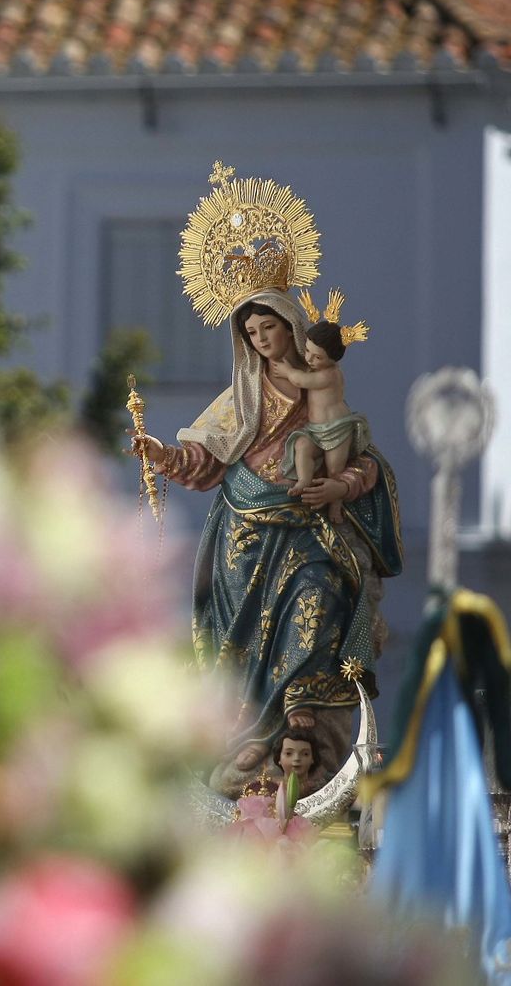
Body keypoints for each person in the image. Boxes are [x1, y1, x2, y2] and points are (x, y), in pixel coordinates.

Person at [128, 164, 402, 797]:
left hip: (310, 527)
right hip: (243, 537)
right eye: (249, 332)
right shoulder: (241, 397)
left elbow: (365, 460)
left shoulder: (321, 385)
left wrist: (339, 489)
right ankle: (250, 745)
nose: (260, 338)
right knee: (241, 649)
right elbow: (205, 464)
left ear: (288, 322)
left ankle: (302, 723)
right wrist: (162, 455)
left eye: (268, 326)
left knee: (321, 596)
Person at [274, 318, 371, 526]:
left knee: (334, 469)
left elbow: (301, 381)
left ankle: (335, 503)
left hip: (337, 429)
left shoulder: (330, 374)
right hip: (315, 429)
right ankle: (304, 481)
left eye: (317, 357)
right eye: (307, 351)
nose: (309, 359)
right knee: (302, 446)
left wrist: (287, 371)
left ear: (333, 358)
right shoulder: (315, 367)